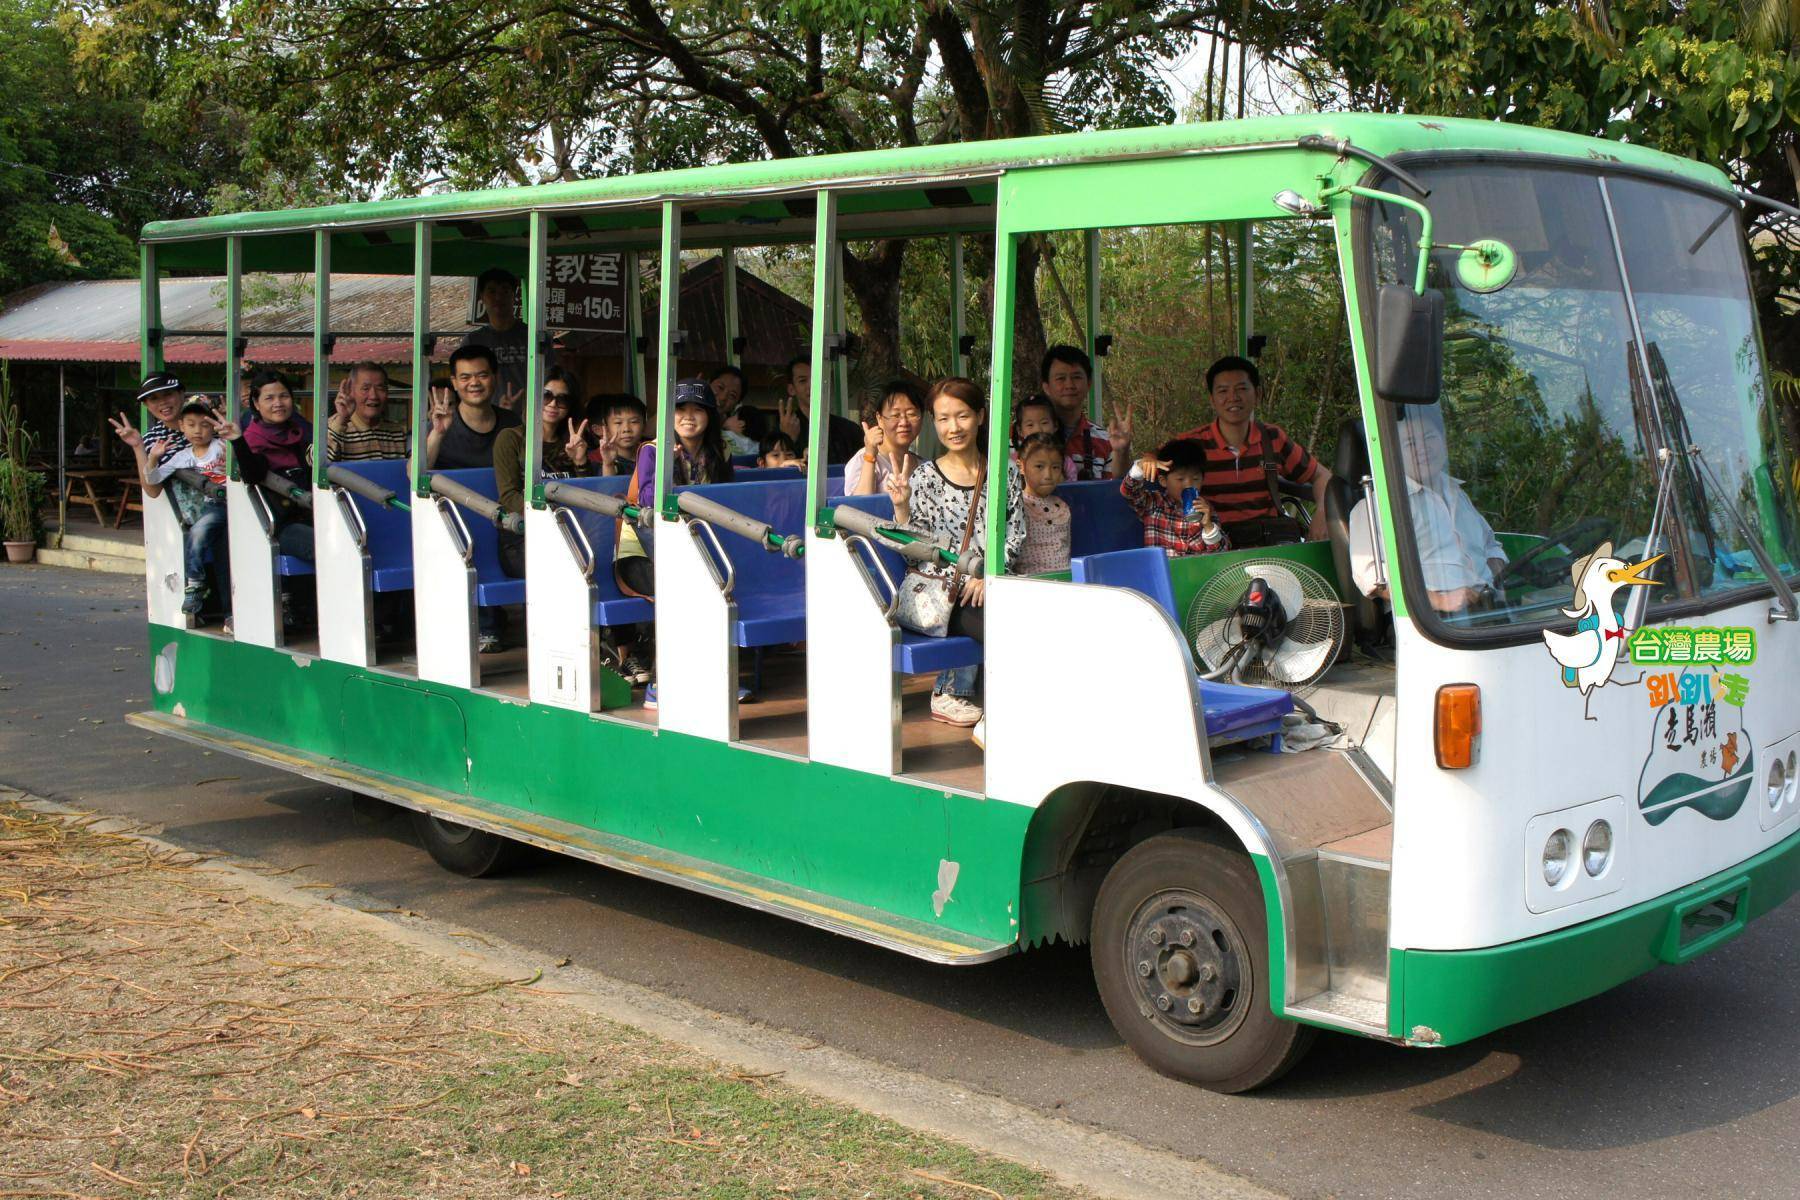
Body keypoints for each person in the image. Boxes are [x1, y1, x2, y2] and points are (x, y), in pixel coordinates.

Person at [885, 377, 1024, 735]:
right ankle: (976, 710)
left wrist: (989, 574)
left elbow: (1015, 533)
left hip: (995, 583)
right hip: (950, 592)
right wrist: (901, 508)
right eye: (943, 418)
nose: (953, 427)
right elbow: (918, 550)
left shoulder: (1004, 473)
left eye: (961, 416)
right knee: (1005, 628)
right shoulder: (926, 477)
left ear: (979, 416)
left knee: (1027, 618)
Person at [614, 379, 735, 689]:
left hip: (695, 549)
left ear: (710, 415)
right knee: (687, 586)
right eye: (680, 409)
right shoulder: (652, 451)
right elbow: (650, 502)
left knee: (718, 582)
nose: (688, 416)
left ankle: (712, 678)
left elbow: (726, 497)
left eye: (698, 409)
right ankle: (664, 681)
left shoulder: (720, 451)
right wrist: (669, 463)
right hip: (642, 553)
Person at [1349, 406, 1506, 614]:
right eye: (1411, 443)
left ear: (1444, 442)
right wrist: (1440, 600)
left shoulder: (1458, 494)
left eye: (1430, 437)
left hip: (1491, 610)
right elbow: (1371, 576)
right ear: (1395, 452)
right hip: (1430, 621)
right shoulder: (1375, 507)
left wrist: (1496, 581)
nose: (1422, 448)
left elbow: (1490, 545)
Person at [1174, 355, 1331, 543]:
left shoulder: (1272, 438)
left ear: (1257, 394)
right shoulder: (1190, 444)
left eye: (1241, 389)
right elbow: (1144, 477)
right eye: (1223, 391)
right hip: (1215, 545)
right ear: (1212, 400)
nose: (1232, 398)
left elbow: (1322, 476)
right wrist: (1126, 449)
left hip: (1269, 541)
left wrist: (1322, 512)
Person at [112, 397, 230, 621]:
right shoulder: (182, 456)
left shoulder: (221, 446)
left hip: (232, 504)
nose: (198, 431)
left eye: (205, 425)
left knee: (211, 539)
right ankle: (196, 584)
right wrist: (152, 456)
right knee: (199, 533)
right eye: (191, 425)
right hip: (214, 505)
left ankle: (204, 591)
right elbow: (153, 480)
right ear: (182, 426)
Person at [493, 367, 592, 579]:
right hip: (522, 535)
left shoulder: (574, 442)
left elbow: (586, 495)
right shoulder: (511, 439)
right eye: (546, 395)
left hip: (570, 531)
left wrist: (580, 461)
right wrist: (551, 520)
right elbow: (509, 496)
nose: (553, 404)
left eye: (562, 399)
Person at [236, 368, 315, 565]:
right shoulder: (252, 441)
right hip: (282, 524)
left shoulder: (301, 433)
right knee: (326, 546)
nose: (278, 403)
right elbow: (252, 474)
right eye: (269, 398)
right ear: (256, 403)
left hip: (312, 514)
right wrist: (237, 441)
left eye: (283, 396)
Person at [1121, 439, 1231, 558]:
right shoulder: (1153, 503)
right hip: (1161, 573)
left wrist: (1208, 525)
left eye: (1195, 479)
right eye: (1180, 479)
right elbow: (1129, 491)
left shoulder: (1205, 509)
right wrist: (1140, 467)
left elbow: (1222, 552)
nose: (1188, 485)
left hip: (1195, 573)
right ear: (1163, 481)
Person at [1039, 345, 1132, 480]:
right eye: (1060, 378)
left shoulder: (1106, 440)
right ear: (1046, 387)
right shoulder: (1022, 434)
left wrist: (1122, 451)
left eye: (1076, 377)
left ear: (1089, 384)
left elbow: (1117, 486)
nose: (1069, 385)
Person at [425, 344, 521, 470]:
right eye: (465, 377)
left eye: (482, 376)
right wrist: (437, 434)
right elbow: (412, 473)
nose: (474, 383)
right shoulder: (438, 426)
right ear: (454, 382)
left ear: (495, 378)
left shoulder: (512, 422)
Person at [460, 267, 529, 408]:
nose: (498, 297)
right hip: (486, 420)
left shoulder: (532, 337)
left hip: (528, 420)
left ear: (514, 295)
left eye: (505, 291)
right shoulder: (473, 341)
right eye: (492, 291)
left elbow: (548, 379)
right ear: (482, 296)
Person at [777, 355, 862, 465]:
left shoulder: (849, 429)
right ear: (792, 389)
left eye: (816, 378)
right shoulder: (783, 429)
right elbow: (775, 472)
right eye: (803, 381)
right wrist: (787, 438)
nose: (811, 385)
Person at [845, 380, 924, 496]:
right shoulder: (862, 459)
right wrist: (870, 456)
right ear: (879, 418)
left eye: (911, 414)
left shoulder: (925, 466)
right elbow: (859, 508)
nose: (904, 422)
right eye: (895, 415)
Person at [327, 362, 410, 460]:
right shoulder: (334, 426)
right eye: (365, 388)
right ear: (350, 391)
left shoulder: (398, 433)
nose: (373, 396)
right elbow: (314, 461)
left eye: (380, 388)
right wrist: (342, 419)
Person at [1015, 432, 1072, 575]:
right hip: (1030, 585)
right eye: (1039, 467)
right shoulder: (1017, 505)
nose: (1048, 475)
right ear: (1021, 466)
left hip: (1065, 583)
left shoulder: (1062, 507)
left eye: (1055, 467)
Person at [587, 394, 646, 477]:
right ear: (606, 427)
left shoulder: (652, 454)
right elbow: (607, 488)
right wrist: (608, 464)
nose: (626, 429)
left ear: (644, 425)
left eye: (634, 422)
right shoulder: (596, 460)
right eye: (618, 423)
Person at [135, 373, 189, 458]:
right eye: (154, 398)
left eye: (167, 394)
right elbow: (147, 471)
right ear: (146, 405)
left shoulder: (209, 425)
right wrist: (137, 446)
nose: (162, 402)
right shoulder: (149, 440)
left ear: (181, 394)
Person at [710, 365, 758, 456]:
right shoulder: (680, 418)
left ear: (736, 405)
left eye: (732, 395)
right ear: (708, 383)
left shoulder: (735, 441)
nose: (723, 397)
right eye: (720, 387)